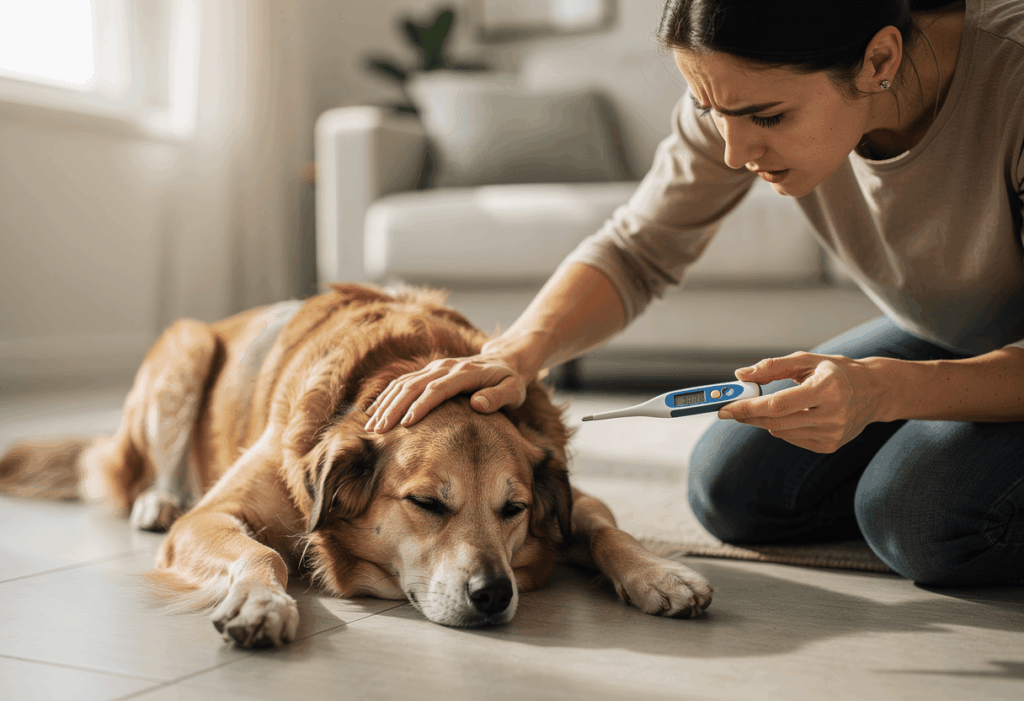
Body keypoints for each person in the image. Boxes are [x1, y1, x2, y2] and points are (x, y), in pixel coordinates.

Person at [364, 0, 1024, 586]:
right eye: (713, 112)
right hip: (951, 333)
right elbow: (636, 249)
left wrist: (886, 391)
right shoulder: (739, 88)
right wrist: (515, 353)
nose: (734, 152)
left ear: (879, 59)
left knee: (918, 516)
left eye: (768, 116)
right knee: (733, 487)